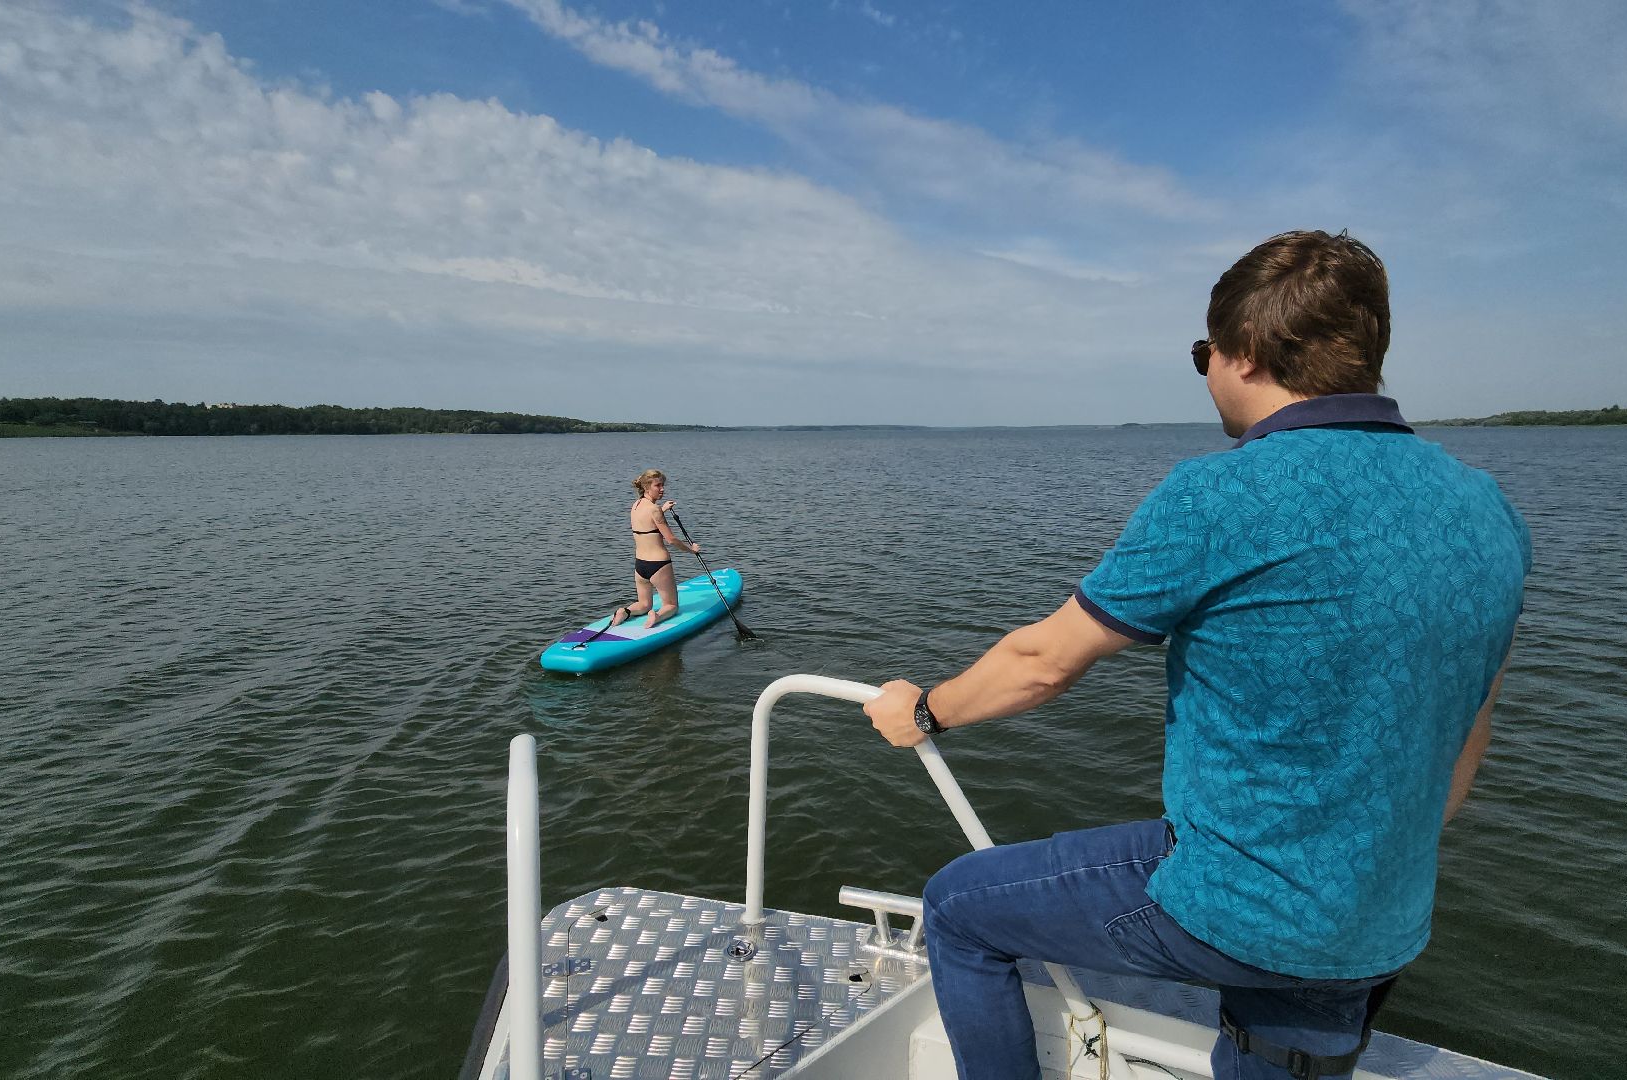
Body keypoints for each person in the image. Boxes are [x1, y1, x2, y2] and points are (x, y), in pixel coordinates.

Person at [862, 230, 1531, 1080]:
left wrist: (920, 709)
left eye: (1200, 354)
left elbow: (1043, 662)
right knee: (1276, 1044)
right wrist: (1350, 861)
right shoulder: (1486, 509)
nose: (1205, 372)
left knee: (959, 906)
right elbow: (1469, 731)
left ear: (1243, 353)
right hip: (1380, 915)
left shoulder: (1222, 493)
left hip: (1239, 903)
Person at [610, 469, 699, 630]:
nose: (662, 489)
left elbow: (649, 520)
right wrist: (691, 549)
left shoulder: (636, 506)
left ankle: (625, 611)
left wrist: (662, 509)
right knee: (671, 605)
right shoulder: (655, 510)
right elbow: (671, 540)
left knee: (643, 604)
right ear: (646, 487)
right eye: (658, 485)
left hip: (640, 565)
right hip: (658, 565)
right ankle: (656, 616)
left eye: (663, 485)